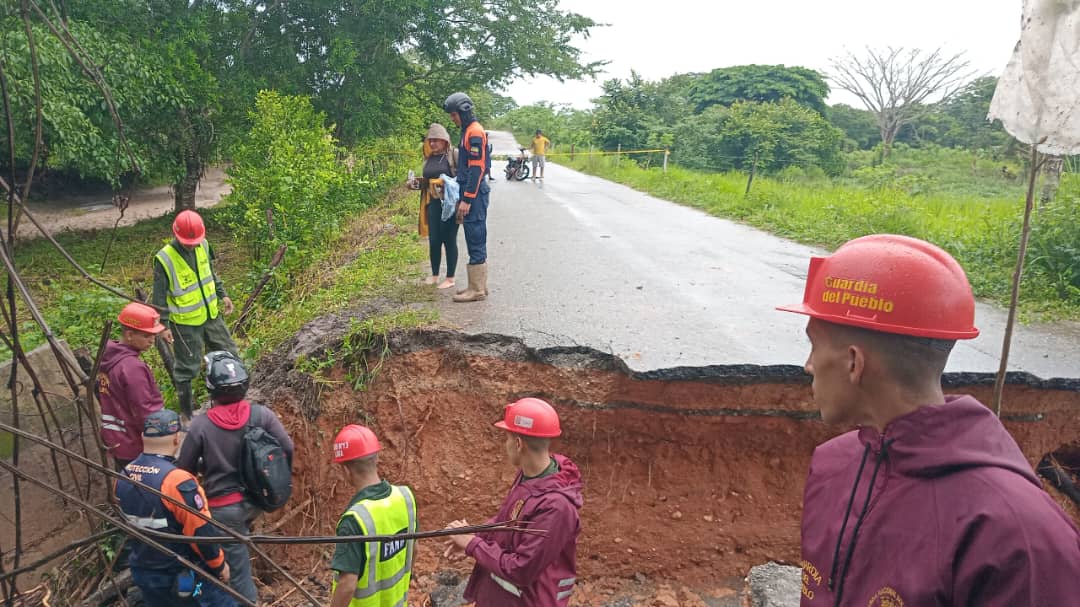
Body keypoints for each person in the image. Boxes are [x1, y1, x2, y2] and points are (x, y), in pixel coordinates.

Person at [776, 234, 1080, 606]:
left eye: (813, 344)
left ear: (854, 363)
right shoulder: (834, 466)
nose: (808, 365)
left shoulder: (1019, 536)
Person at [177, 351, 294, 604]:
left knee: (237, 573)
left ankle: (246, 601)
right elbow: (287, 448)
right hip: (258, 501)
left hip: (223, 510)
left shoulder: (201, 425)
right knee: (238, 551)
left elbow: (184, 470)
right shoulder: (262, 415)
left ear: (211, 389)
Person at [444, 398, 582, 606]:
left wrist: (473, 545)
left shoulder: (556, 507)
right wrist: (474, 536)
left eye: (507, 438)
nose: (505, 445)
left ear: (518, 444)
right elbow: (507, 522)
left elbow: (521, 570)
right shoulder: (530, 478)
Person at [116, 409, 235, 607]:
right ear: (176, 439)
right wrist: (219, 565)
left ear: (143, 437)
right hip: (182, 575)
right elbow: (200, 532)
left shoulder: (122, 476)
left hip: (144, 572)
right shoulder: (176, 481)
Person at [153, 209, 239, 418]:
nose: (192, 245)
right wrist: (163, 325)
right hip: (185, 324)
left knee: (229, 353)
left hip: (211, 316)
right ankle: (187, 414)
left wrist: (222, 294)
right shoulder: (164, 259)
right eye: (187, 242)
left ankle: (230, 400)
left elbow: (210, 273)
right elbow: (159, 296)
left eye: (195, 241)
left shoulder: (204, 245)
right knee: (187, 369)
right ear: (176, 234)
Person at [329, 424, 418, 607]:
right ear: (377, 459)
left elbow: (347, 585)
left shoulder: (354, 520)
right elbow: (414, 549)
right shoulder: (405, 497)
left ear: (346, 471)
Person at [99, 302, 167, 470]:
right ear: (129, 334)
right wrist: (162, 440)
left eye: (154, 335)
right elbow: (145, 410)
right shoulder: (132, 368)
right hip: (136, 445)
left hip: (116, 441)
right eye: (146, 336)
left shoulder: (108, 358)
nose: (152, 340)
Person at [443, 92, 490, 303]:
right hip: (470, 191)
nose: (452, 119)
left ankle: (477, 290)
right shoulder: (468, 131)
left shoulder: (475, 132)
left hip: (475, 193)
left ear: (463, 111)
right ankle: (477, 285)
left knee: (475, 235)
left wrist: (467, 198)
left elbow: (477, 168)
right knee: (473, 235)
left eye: (454, 115)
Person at [411, 123, 460, 290]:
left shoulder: (453, 155)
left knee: (449, 239)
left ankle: (450, 277)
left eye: (436, 140)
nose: (432, 143)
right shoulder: (429, 158)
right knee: (434, 240)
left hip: (450, 204)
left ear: (444, 140)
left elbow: (462, 178)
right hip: (433, 203)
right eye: (430, 140)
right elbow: (427, 181)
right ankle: (434, 275)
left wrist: (447, 184)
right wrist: (416, 183)